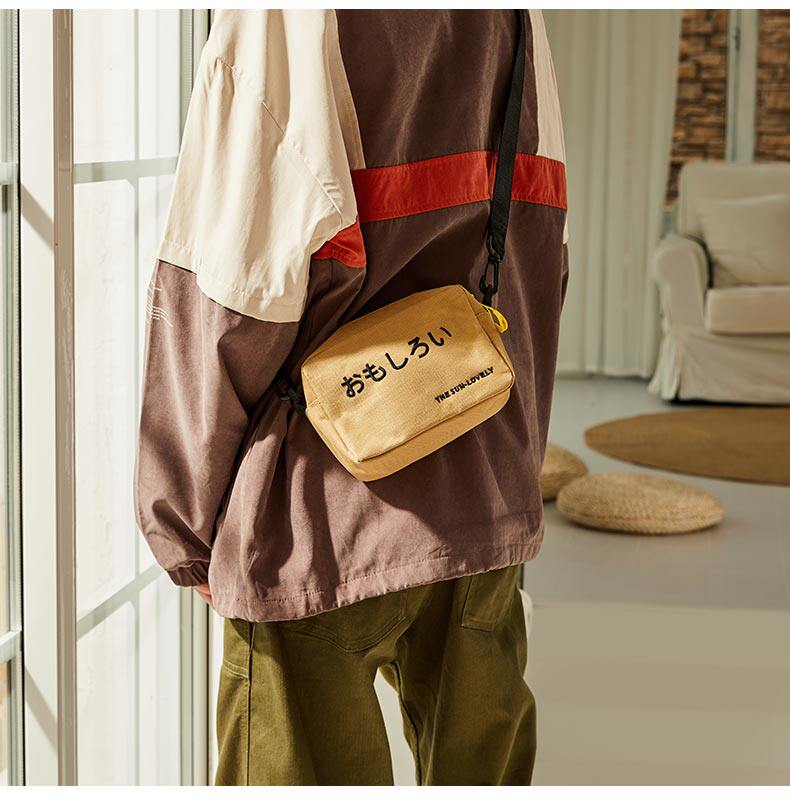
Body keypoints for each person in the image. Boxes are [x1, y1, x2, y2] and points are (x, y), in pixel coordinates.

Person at [134, 9, 568, 786]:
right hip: (484, 489)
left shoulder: (281, 19)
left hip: (315, 524)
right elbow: (538, 261)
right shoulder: (518, 19)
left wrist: (183, 525)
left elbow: (233, 291)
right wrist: (516, 459)